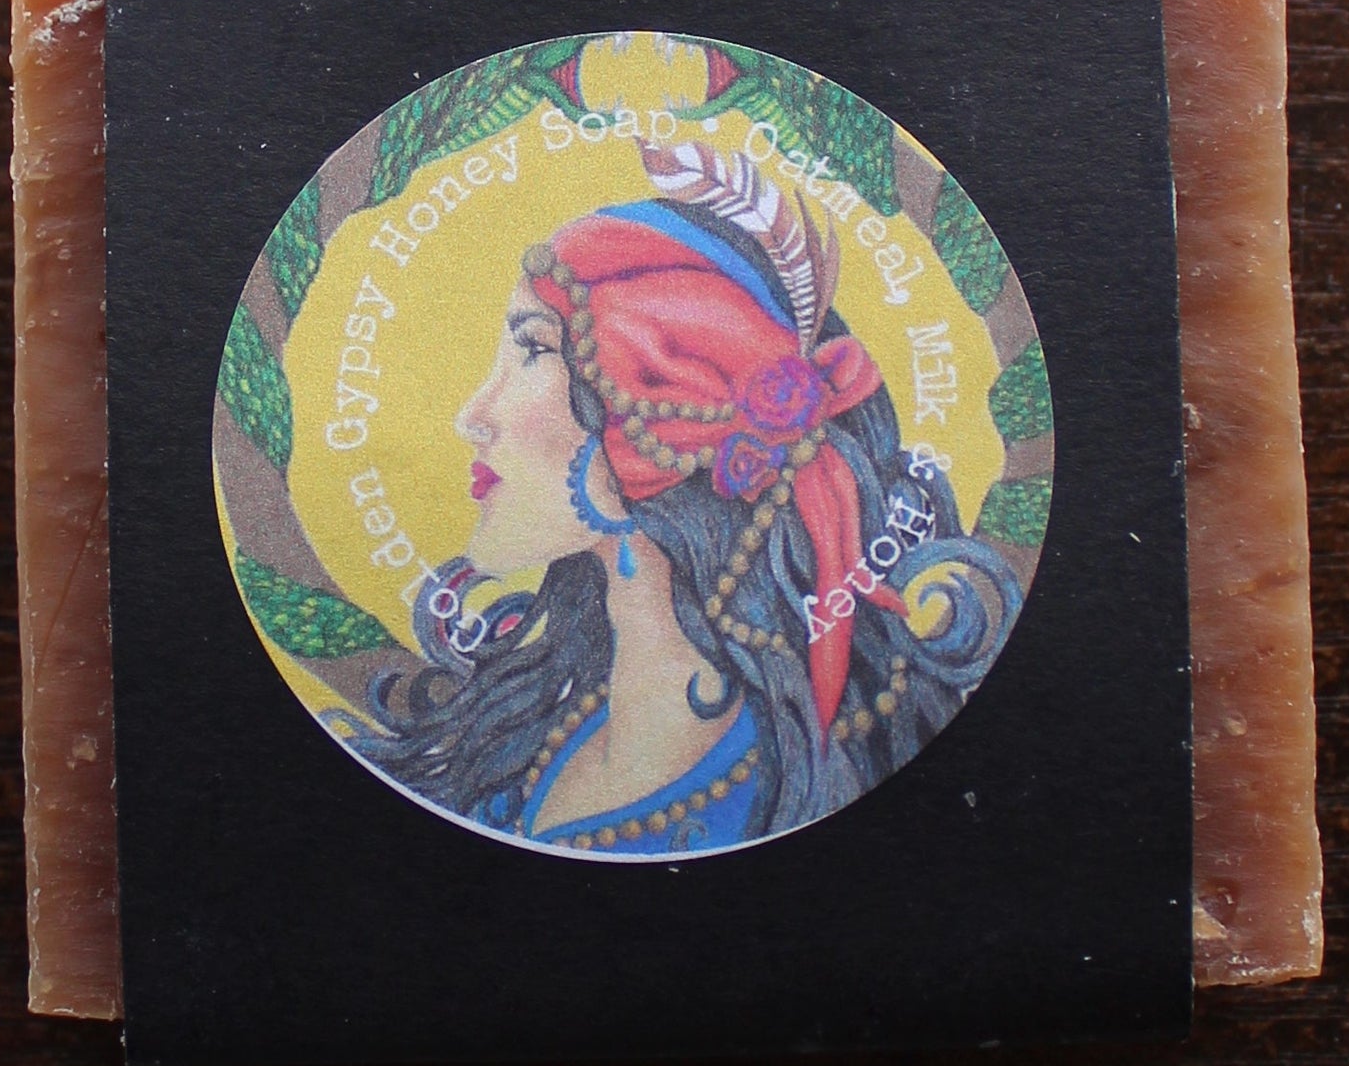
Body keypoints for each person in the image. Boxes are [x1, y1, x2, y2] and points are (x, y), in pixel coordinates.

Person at [350, 142, 1021, 854]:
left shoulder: (800, 778)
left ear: (662, 418)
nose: (473, 415)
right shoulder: (535, 712)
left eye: (536, 351)